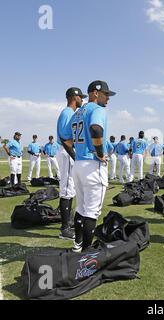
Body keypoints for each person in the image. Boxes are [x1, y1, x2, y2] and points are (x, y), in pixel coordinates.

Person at [62, 80, 115, 252]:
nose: (108, 98)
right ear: (95, 93)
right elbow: (96, 129)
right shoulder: (97, 109)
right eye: (106, 94)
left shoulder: (77, 113)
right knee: (91, 212)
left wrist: (77, 154)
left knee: (81, 207)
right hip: (93, 164)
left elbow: (66, 140)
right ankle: (86, 253)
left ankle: (77, 245)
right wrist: (100, 153)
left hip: (78, 164)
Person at [56, 87, 87, 240]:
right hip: (66, 152)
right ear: (74, 97)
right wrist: (74, 155)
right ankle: (64, 229)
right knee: (66, 189)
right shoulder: (67, 112)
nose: (82, 99)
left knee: (70, 188)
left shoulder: (71, 113)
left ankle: (68, 221)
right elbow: (64, 138)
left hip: (68, 152)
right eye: (81, 97)